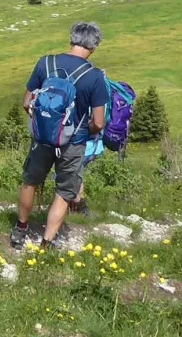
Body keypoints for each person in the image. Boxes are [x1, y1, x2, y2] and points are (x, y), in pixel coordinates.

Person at [12, 22, 111, 250]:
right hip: (73, 143)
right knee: (65, 192)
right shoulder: (94, 77)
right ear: (94, 47)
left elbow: (27, 103)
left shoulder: (45, 63)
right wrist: (84, 132)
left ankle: (20, 230)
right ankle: (46, 243)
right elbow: (98, 121)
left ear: (71, 39)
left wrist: (43, 124)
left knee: (30, 182)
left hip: (42, 139)